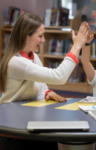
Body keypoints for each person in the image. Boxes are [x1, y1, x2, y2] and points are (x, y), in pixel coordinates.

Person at [0, 13, 90, 150]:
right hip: (14, 129)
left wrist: (47, 92)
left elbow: (40, 85)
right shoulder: (16, 62)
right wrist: (76, 46)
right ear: (26, 37)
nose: (43, 40)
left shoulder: (34, 57)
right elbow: (59, 76)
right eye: (40, 36)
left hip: (29, 120)